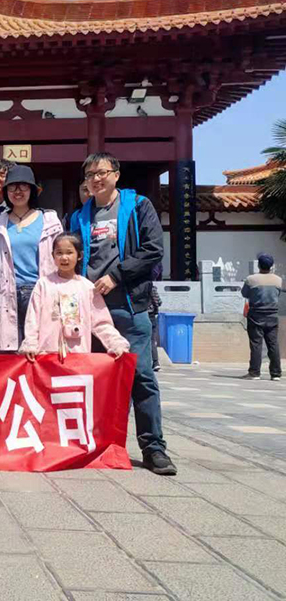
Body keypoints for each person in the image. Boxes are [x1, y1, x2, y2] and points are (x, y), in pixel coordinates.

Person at [71, 151, 176, 476]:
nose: (96, 179)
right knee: (95, 379)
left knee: (140, 375)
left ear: (116, 174)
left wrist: (116, 276)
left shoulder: (138, 206)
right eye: (90, 175)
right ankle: (99, 445)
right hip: (90, 310)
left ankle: (153, 448)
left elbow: (153, 249)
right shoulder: (79, 217)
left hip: (129, 305)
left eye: (101, 172)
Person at [0, 165, 63, 351]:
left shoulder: (50, 220)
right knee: (9, 353)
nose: (18, 191)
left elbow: (62, 260)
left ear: (33, 190)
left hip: (39, 291)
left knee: (40, 350)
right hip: (7, 293)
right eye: (12, 187)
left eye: (24, 186)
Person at [20, 232, 129, 360]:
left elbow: (101, 323)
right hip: (46, 356)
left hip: (78, 357)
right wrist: (30, 343)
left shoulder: (87, 287)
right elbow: (33, 318)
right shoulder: (43, 284)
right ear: (53, 255)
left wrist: (116, 344)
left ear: (79, 256)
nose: (64, 257)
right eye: (59, 253)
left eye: (69, 253)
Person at [242, 252, 282, 380]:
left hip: (256, 314)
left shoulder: (251, 279)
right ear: (271, 266)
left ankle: (254, 372)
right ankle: (276, 373)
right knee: (273, 344)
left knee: (256, 344)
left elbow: (245, 294)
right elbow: (278, 294)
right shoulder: (278, 280)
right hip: (272, 315)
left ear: (258, 265)